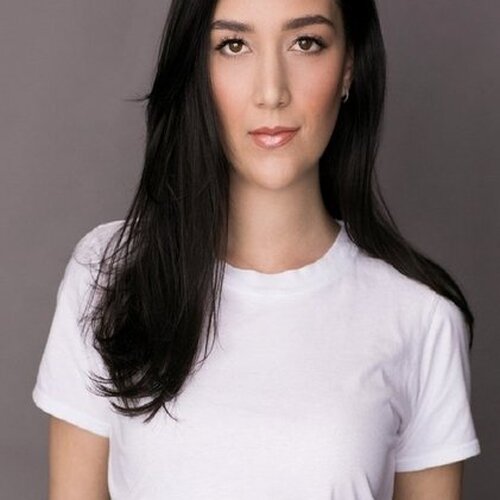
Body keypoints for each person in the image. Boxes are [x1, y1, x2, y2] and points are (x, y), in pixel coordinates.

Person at [32, 0, 481, 498]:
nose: (271, 92)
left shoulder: (421, 316)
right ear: (197, 69)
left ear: (349, 66)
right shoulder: (109, 275)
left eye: (305, 43)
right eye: (234, 45)